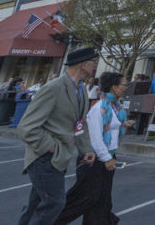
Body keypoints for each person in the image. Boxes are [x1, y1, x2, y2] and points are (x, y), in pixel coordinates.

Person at [17, 47, 97, 225]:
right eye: (93, 63)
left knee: (36, 205)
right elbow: (26, 127)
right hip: (43, 157)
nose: (95, 66)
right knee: (54, 203)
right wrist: (51, 146)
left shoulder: (82, 89)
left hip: (58, 158)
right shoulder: (53, 88)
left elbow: (79, 123)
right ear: (83, 65)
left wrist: (86, 149)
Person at [54, 71, 136, 224]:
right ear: (114, 87)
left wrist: (123, 124)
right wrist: (106, 158)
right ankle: (48, 220)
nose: (126, 87)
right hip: (94, 158)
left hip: (108, 156)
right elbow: (96, 137)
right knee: (85, 198)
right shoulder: (99, 108)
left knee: (102, 200)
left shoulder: (114, 107)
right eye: (124, 84)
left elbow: (110, 126)